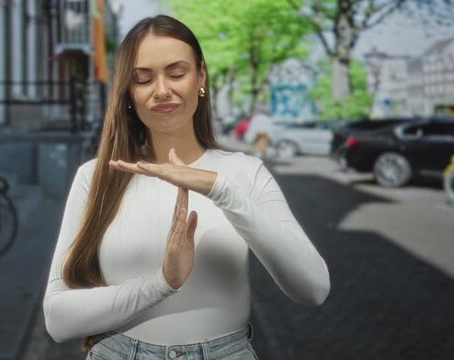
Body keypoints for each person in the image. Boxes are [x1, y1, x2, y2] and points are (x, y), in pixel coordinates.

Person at [43, 15, 330, 359]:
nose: (162, 90)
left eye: (176, 73)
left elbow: (313, 288)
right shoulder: (97, 177)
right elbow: (57, 319)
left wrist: (222, 190)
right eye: (143, 79)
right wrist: (162, 283)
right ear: (128, 93)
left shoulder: (243, 173)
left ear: (201, 77)